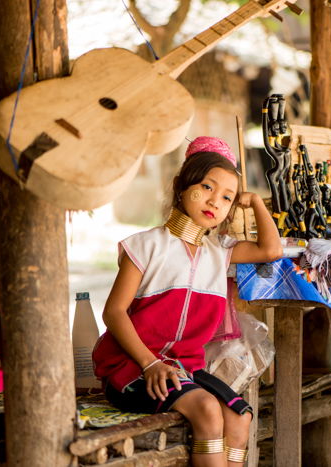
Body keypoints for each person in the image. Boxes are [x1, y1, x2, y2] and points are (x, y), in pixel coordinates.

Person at [92, 136, 282, 466]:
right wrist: (150, 363)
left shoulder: (219, 252)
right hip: (132, 368)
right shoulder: (145, 246)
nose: (215, 201)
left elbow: (271, 250)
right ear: (182, 186)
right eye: (207, 187)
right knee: (208, 410)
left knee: (241, 416)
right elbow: (114, 312)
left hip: (184, 369)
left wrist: (257, 203)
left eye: (227, 197)